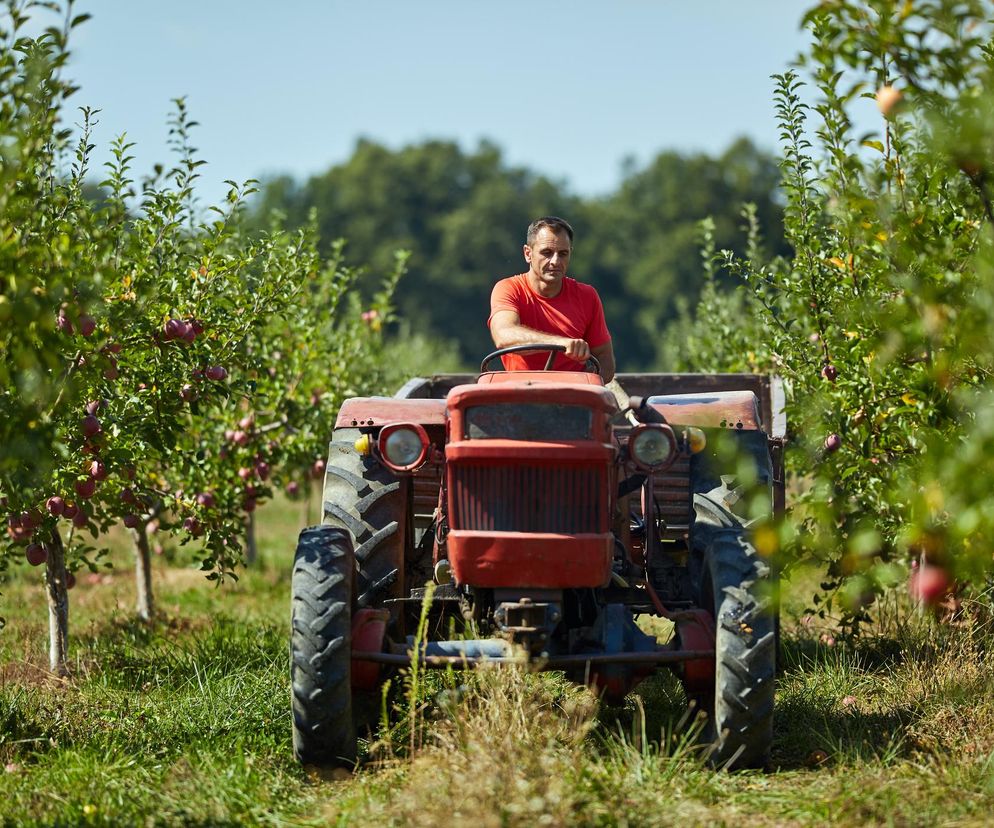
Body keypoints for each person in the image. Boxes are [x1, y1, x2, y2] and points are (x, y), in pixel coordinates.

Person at [488, 216, 616, 383]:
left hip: (573, 399)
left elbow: (605, 360)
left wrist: (585, 385)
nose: (555, 261)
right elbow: (504, 335)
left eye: (563, 254)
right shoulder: (509, 289)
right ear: (528, 254)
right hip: (520, 394)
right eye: (547, 253)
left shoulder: (587, 296)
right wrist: (562, 344)